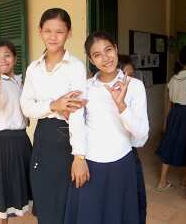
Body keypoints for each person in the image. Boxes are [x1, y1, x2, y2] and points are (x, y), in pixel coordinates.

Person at [64, 31, 149, 224]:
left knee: (118, 217)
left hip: (122, 163)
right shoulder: (84, 88)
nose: (105, 58)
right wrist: (78, 158)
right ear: (91, 60)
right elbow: (77, 126)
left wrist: (122, 106)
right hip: (90, 164)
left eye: (108, 50)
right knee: (89, 217)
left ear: (116, 49)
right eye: (97, 54)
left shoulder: (134, 86)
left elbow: (141, 136)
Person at [20, 8, 89, 224]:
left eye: (59, 31)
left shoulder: (76, 67)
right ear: (40, 31)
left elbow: (77, 114)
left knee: (65, 203)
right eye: (48, 30)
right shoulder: (34, 69)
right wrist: (54, 105)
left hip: (67, 139)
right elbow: (26, 107)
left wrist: (79, 157)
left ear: (69, 33)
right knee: (45, 198)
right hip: (43, 136)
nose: (53, 36)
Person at [0, 39, 32, 224]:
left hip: (22, 143)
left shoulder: (18, 82)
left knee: (11, 197)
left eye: (7, 55)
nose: (2, 59)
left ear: (15, 58)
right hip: (2, 146)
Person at [156, 45, 186, 190]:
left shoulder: (174, 79)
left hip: (175, 113)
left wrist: (165, 122)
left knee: (169, 143)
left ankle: (162, 181)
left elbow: (170, 102)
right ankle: (185, 180)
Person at [119, 55, 147, 224]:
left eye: (132, 75)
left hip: (130, 153)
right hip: (107, 156)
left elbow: (140, 137)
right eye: (126, 75)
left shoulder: (136, 91)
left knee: (136, 201)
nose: (130, 80)